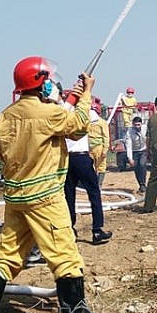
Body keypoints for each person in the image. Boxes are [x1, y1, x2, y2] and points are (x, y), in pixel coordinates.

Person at [0, 57, 100, 313]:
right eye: (47, 79)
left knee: (8, 254)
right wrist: (87, 93)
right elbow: (80, 125)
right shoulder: (49, 114)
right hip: (45, 198)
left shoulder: (7, 115)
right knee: (64, 255)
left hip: (16, 198)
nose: (51, 83)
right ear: (40, 82)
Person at [64, 100, 113, 246]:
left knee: (68, 195)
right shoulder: (82, 112)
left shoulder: (59, 113)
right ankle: (97, 230)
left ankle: (69, 229)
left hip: (66, 159)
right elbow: (95, 116)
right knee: (94, 193)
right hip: (82, 157)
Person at [86, 98, 110, 188]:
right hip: (89, 148)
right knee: (89, 166)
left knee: (101, 167)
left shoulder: (102, 123)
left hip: (99, 147)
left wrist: (105, 149)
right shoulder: (87, 123)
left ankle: (99, 185)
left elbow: (106, 137)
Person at [127, 116, 148, 193]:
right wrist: (130, 158)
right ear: (132, 124)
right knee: (136, 168)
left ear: (141, 124)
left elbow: (148, 138)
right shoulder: (129, 132)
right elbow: (128, 145)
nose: (137, 126)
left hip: (143, 150)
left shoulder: (145, 129)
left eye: (138, 125)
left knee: (142, 165)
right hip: (134, 151)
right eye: (135, 125)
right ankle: (140, 184)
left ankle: (143, 184)